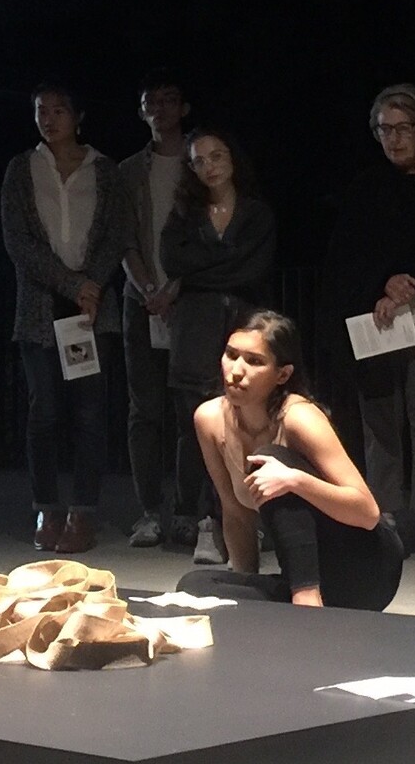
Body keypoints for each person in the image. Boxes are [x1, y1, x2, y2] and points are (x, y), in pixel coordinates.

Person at [322, 83, 415, 567]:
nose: (394, 138)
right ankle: (384, 522)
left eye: (403, 128)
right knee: (379, 423)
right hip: (379, 319)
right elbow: (346, 256)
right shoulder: (366, 188)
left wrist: (411, 285)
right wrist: (383, 284)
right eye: (384, 130)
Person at [176, 311, 403, 610]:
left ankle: (306, 603)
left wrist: (296, 481)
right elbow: (236, 515)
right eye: (231, 355)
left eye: (254, 361)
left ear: (282, 375)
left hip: (365, 566)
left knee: (269, 460)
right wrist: (241, 597)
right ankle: (299, 602)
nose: (236, 371)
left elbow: (368, 512)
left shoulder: (298, 417)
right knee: (193, 589)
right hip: (304, 570)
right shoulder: (209, 419)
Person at [0, 83, 125, 555]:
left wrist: (91, 285)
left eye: (58, 109)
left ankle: (83, 512)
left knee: (90, 413)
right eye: (40, 111)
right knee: (44, 410)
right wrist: (74, 285)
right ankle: (47, 507)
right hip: (39, 306)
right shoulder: (20, 168)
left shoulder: (104, 170)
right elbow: (17, 241)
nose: (48, 119)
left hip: (91, 313)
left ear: (78, 115)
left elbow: (116, 235)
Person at [161, 127, 277, 568]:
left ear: (232, 157)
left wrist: (200, 272)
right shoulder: (184, 215)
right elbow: (174, 263)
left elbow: (255, 269)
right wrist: (221, 268)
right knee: (198, 430)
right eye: (199, 160)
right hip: (195, 330)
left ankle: (249, 519)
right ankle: (206, 523)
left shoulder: (257, 213)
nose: (209, 166)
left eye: (216, 155)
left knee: (246, 426)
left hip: (243, 327)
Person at [111, 71, 194, 551]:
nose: (160, 109)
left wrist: (176, 288)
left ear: (183, 108)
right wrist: (148, 288)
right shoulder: (127, 171)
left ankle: (187, 512)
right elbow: (122, 237)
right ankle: (149, 512)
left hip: (191, 300)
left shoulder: (200, 162)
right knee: (144, 409)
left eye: (169, 100)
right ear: (142, 112)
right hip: (139, 300)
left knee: (190, 409)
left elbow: (209, 237)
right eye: (151, 102)